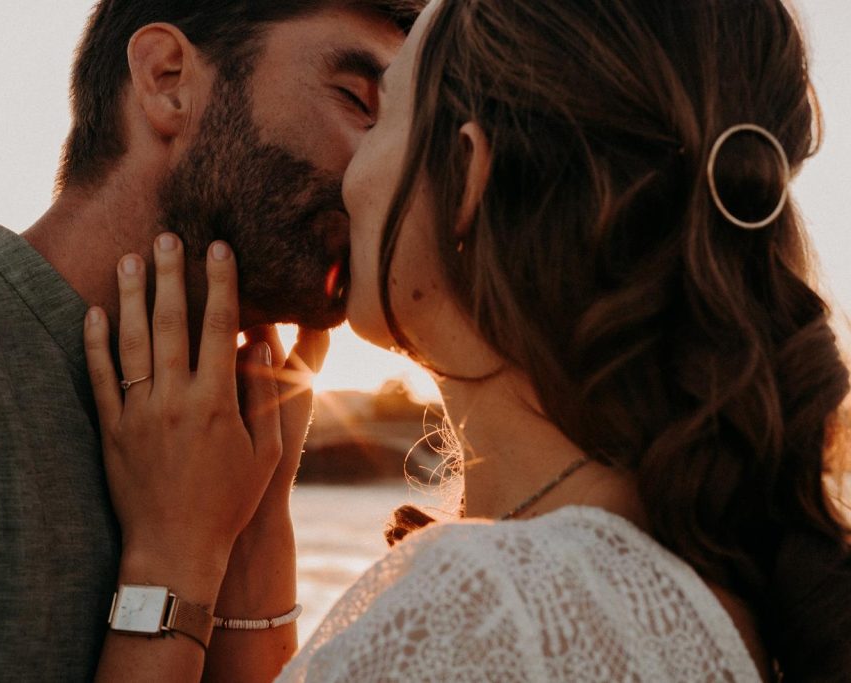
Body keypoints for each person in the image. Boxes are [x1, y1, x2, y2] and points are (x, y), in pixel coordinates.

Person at [84, 0, 851, 680]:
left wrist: (171, 561)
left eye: (380, 115)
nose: (348, 168)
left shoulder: (489, 607)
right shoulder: (696, 581)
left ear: (470, 174)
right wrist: (255, 555)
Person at [0, 1, 423, 678]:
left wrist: (254, 535)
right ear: (168, 78)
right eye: (358, 102)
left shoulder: (241, 454)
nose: (387, 175)